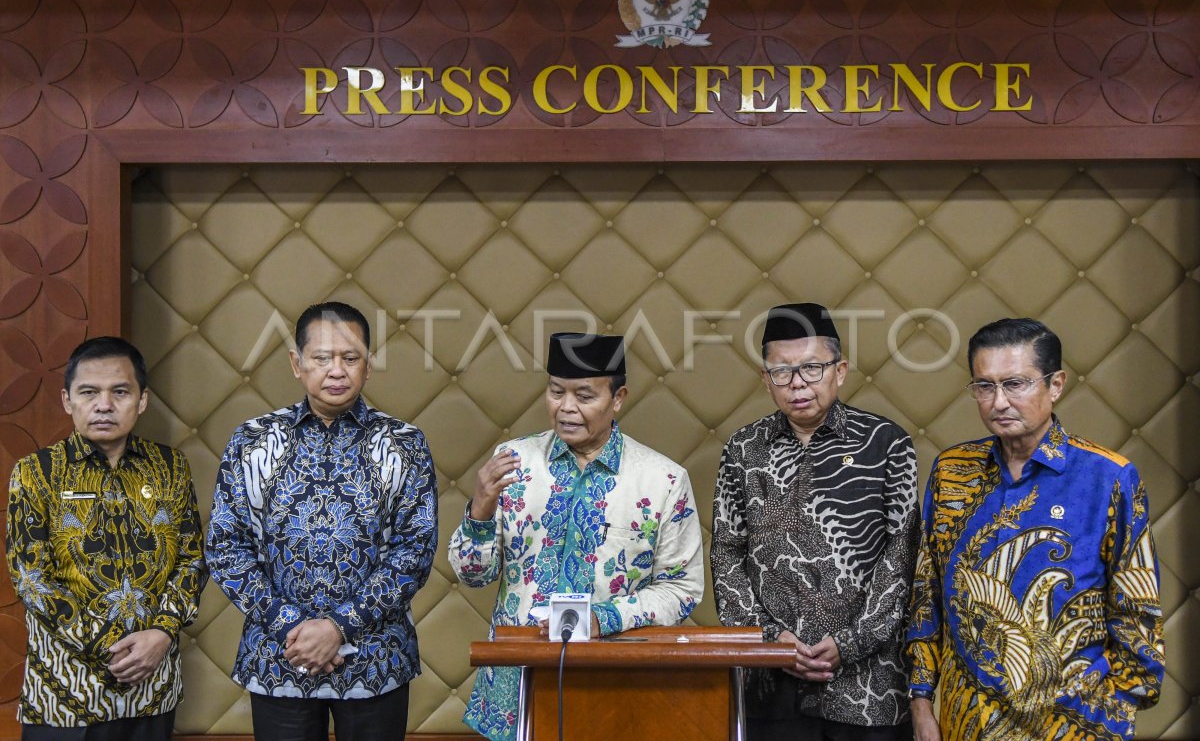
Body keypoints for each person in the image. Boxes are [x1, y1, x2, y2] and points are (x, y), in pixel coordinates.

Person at [905, 318, 1165, 741]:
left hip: (1070, 725)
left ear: (1056, 384)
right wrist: (920, 701)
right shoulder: (953, 472)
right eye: (984, 386)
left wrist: (1114, 709)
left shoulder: (1107, 477)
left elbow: (1137, 609)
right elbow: (927, 593)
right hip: (966, 722)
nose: (999, 401)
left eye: (1015, 384)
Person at [450, 332, 705, 741]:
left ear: (618, 398)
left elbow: (682, 589)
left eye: (584, 396)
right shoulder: (513, 461)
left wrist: (601, 620)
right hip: (515, 686)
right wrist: (480, 506)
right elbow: (473, 576)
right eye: (556, 392)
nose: (566, 408)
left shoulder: (664, 480)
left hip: (614, 683)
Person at [206, 302, 438, 741]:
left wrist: (338, 628)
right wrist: (290, 625)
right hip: (280, 657)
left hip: (375, 658)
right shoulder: (252, 441)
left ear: (368, 366)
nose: (337, 371)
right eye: (322, 358)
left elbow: (415, 552)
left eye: (350, 359)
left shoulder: (404, 444)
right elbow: (225, 547)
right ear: (297, 363)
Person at [712, 303, 919, 741]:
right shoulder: (743, 449)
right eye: (782, 372)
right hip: (771, 687)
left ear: (840, 370)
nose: (798, 384)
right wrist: (768, 641)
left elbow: (902, 556)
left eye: (812, 368)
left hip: (870, 689)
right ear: (766, 379)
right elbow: (727, 552)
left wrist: (850, 643)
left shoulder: (886, 444)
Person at [6, 337, 206, 741]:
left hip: (152, 688)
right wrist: (109, 644)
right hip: (63, 695)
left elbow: (192, 559)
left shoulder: (171, 467)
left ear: (142, 399)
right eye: (88, 392)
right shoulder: (35, 472)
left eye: (119, 391)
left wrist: (163, 632)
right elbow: (31, 577)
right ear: (67, 400)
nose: (104, 404)